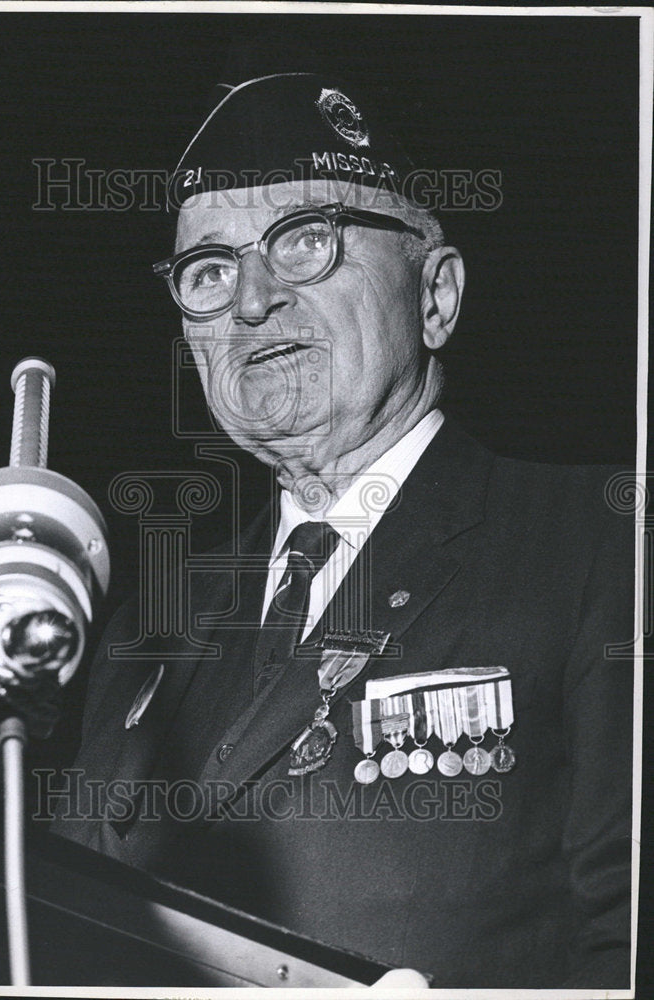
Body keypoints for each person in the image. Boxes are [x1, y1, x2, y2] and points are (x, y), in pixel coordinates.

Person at [49, 74, 635, 988]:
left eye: (305, 241)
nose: (250, 301)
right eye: (208, 271)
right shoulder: (143, 629)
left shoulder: (598, 546)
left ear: (435, 295)